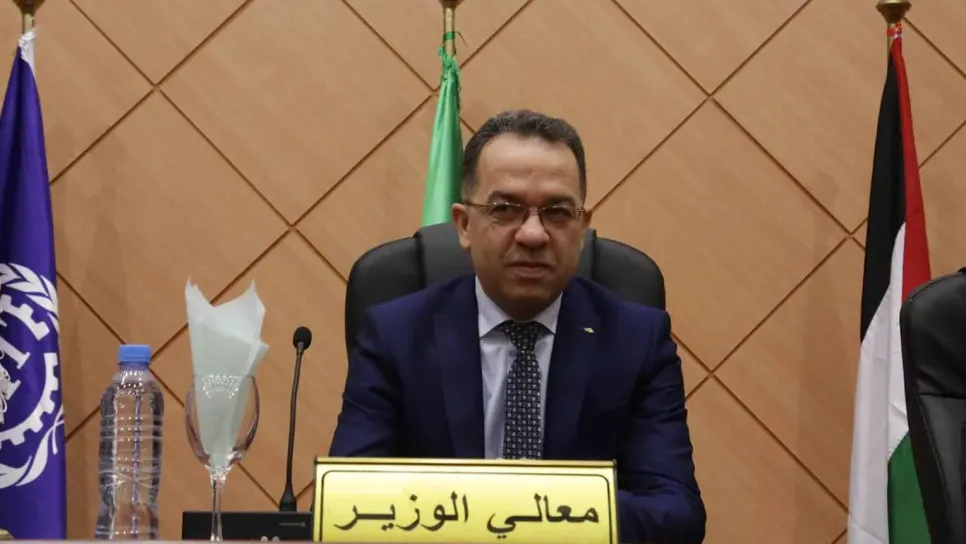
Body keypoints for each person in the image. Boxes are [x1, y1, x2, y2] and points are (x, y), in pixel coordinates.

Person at [328, 109, 706, 543]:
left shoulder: (637, 339)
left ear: (582, 227)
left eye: (558, 212)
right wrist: (501, 502)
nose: (533, 234)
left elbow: (676, 515)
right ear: (464, 225)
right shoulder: (395, 335)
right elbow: (348, 504)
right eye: (505, 209)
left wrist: (535, 504)